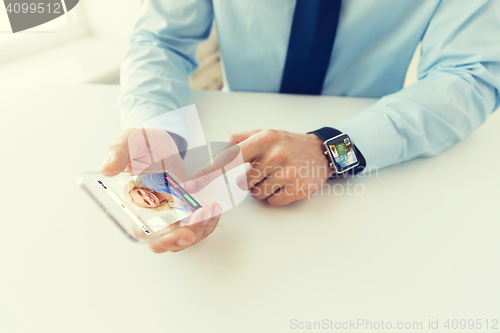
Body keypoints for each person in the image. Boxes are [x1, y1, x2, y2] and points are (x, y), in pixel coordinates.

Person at [101, 0, 500, 253]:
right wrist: (157, 127)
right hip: (231, 145)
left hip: (374, 186)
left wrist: (329, 150)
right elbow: (163, 39)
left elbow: (469, 74)